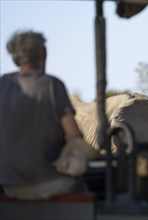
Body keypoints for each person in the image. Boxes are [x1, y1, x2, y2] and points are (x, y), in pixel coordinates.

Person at [0, 30, 89, 200]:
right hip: (48, 182)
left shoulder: (3, 84)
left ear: (14, 56)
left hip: (9, 185)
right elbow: (75, 136)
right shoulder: (52, 85)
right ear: (43, 53)